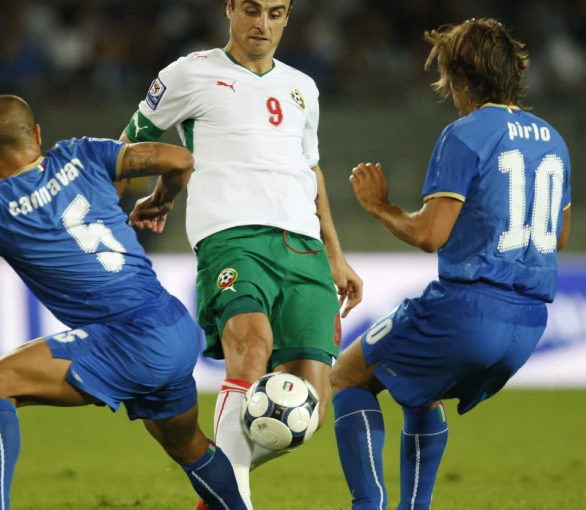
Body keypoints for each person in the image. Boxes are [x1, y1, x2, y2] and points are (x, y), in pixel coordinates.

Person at [0, 95, 248, 510]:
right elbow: (180, 159)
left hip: (130, 341)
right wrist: (161, 200)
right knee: (187, 447)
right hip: (173, 326)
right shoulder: (84, 153)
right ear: (37, 133)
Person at [119, 1, 363, 507]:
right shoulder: (189, 73)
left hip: (303, 246)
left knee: (309, 408)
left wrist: (335, 254)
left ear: (288, 17)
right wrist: (137, 202)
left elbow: (310, 170)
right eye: (252, 10)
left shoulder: (302, 87)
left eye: (275, 13)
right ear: (229, 9)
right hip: (231, 237)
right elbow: (129, 146)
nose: (262, 24)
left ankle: (216, 491)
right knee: (251, 347)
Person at [329, 18, 572, 510]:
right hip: (528, 324)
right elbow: (558, 237)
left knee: (346, 377)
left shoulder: (465, 133)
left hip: (466, 311)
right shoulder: (553, 140)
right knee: (421, 392)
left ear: (460, 77)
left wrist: (380, 207)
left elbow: (429, 235)